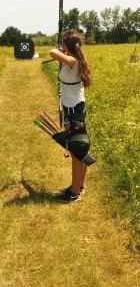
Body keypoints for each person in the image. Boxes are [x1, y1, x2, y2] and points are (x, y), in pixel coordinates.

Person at [49, 30, 92, 202]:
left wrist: (61, 49)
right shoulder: (73, 60)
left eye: (64, 44)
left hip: (74, 110)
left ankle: (74, 193)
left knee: (76, 151)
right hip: (71, 108)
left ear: (68, 46)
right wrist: (65, 49)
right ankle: (78, 186)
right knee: (78, 149)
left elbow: (52, 52)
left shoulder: (73, 61)